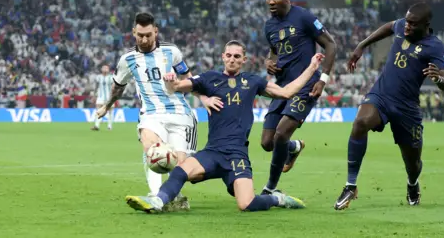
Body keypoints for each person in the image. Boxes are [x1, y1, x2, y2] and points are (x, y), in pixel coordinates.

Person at [124, 40, 324, 213]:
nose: (232, 59)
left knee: (247, 204)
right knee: (181, 171)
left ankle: (277, 198)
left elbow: (287, 92)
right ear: (223, 57)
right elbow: (176, 88)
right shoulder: (209, 79)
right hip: (212, 152)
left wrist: (312, 68)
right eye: (229, 55)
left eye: (237, 56)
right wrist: (170, 82)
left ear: (244, 60)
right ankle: (157, 201)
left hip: (237, 156)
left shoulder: (252, 81)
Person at [334, 3, 444, 210]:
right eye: (406, 21)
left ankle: (412, 184)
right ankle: (350, 185)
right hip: (381, 95)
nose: (406, 27)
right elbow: (389, 26)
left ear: (425, 25)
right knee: (360, 122)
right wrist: (362, 44)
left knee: (413, 164)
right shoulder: (401, 26)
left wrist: (438, 79)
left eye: (412, 24)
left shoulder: (435, 46)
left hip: (407, 108)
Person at [97, 12, 203, 211]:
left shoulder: (172, 52)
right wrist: (107, 106)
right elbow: (118, 87)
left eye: (148, 35)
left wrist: (205, 98)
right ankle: (156, 197)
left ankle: (175, 195)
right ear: (133, 32)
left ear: (156, 31)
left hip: (180, 114)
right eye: (140, 35)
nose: (144, 40)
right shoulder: (127, 60)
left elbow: (190, 79)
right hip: (151, 114)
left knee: (181, 167)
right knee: (152, 150)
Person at [261, 0, 337, 195]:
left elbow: (331, 44)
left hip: (306, 85)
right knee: (267, 143)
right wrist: (269, 61)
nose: (271, 2)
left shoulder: (303, 17)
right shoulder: (270, 26)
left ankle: (270, 189)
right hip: (282, 87)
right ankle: (293, 148)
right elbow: (274, 51)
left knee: (281, 134)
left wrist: (323, 79)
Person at [91, 65, 114, 131]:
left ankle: (109, 126)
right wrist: (94, 96)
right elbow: (96, 86)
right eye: (103, 68)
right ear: (101, 69)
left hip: (109, 97)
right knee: (98, 110)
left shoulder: (111, 77)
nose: (105, 69)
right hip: (100, 96)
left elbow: (114, 87)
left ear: (108, 69)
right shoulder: (98, 77)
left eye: (106, 68)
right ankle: (96, 125)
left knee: (110, 111)